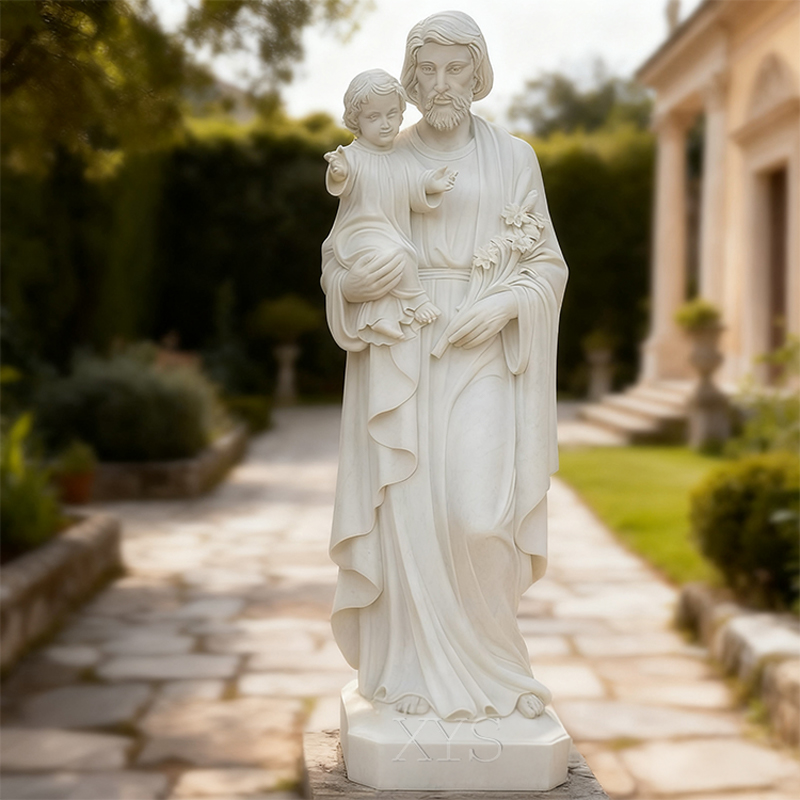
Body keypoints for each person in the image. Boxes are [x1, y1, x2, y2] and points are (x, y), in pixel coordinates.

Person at [321, 10, 568, 722]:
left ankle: (494, 669)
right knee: (407, 510)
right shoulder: (382, 153)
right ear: (408, 76)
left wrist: (503, 307)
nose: (440, 83)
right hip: (402, 347)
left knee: (478, 514)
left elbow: (547, 264)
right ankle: (409, 676)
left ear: (480, 72)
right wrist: (353, 284)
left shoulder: (515, 158)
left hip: (484, 343)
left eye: (456, 68)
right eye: (426, 69)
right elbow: (341, 254)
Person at [324, 69, 456, 345]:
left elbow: (414, 186)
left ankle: (380, 319)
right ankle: (418, 301)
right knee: (401, 254)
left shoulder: (401, 158)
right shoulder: (353, 155)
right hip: (358, 234)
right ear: (355, 120)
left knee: (388, 272)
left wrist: (431, 183)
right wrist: (338, 171)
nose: (385, 124)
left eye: (392, 115)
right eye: (374, 117)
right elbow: (341, 178)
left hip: (388, 234)